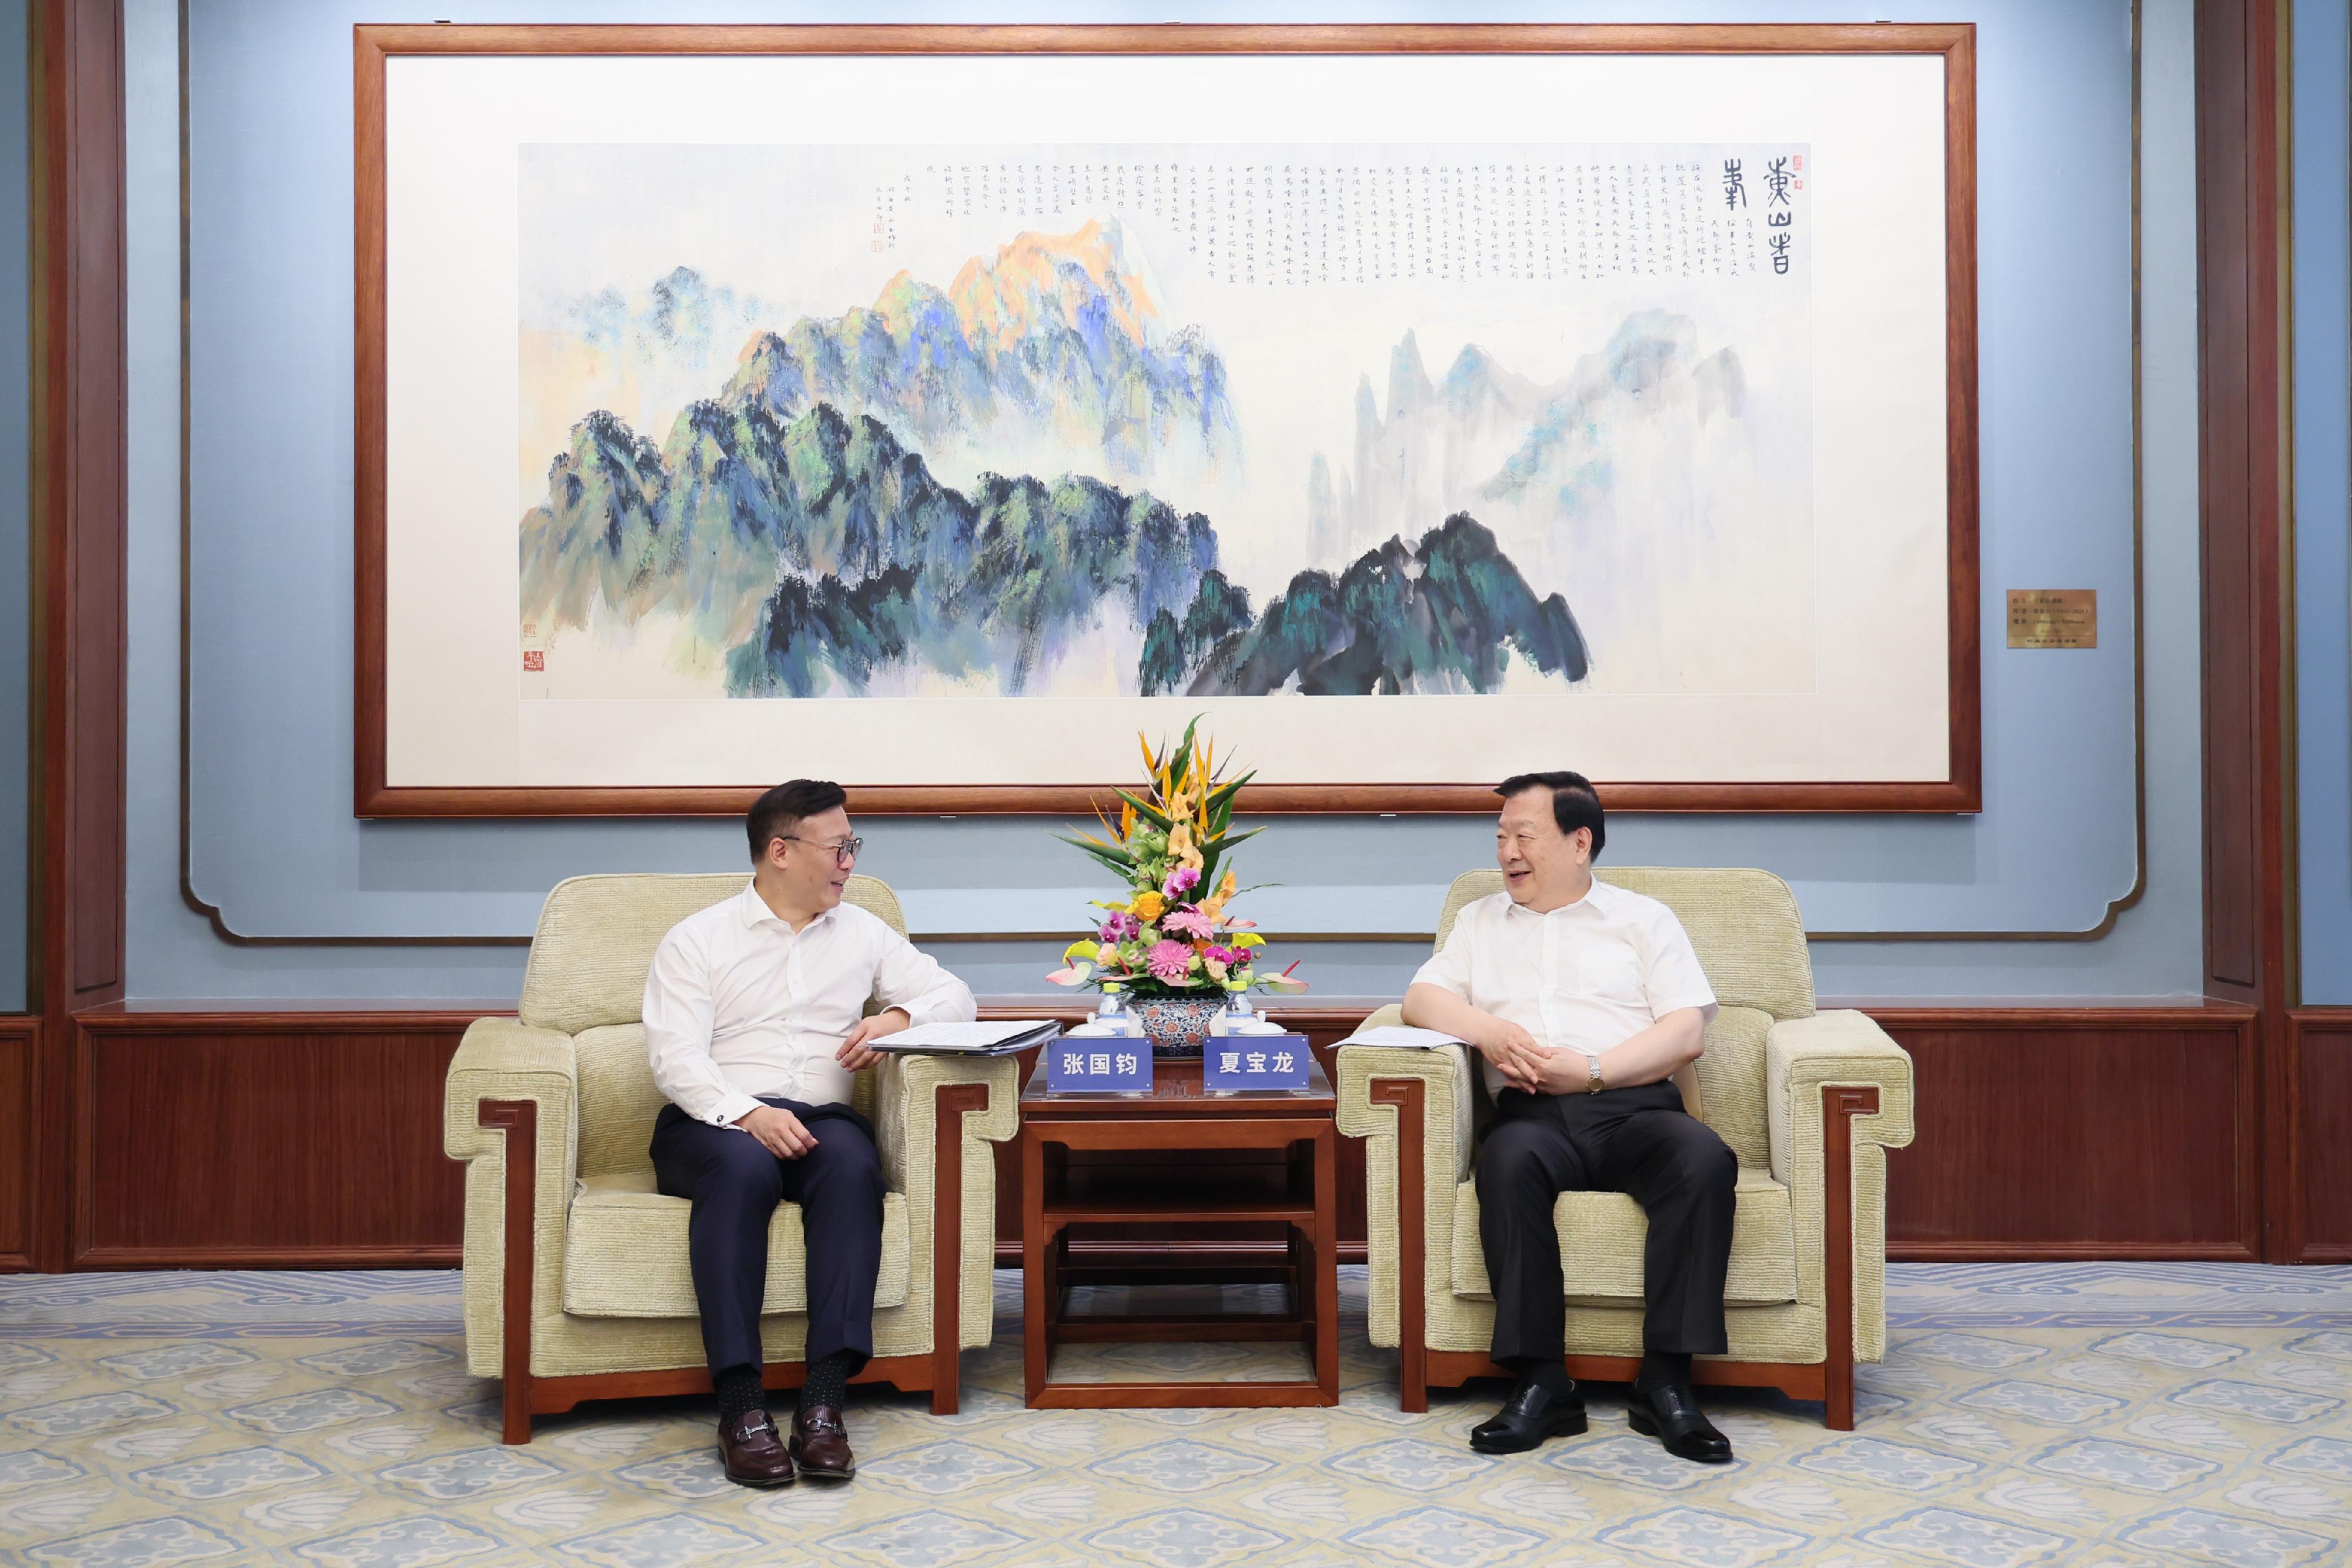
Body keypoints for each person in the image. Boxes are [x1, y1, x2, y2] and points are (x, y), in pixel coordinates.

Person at [643, 778, 976, 1487]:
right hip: (712, 1122)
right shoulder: (697, 939)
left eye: (853, 846)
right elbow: (676, 1059)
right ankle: (740, 1409)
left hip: (819, 1119)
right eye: (839, 847)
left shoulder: (861, 931)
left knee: (854, 1167)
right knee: (743, 1170)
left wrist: (895, 1021)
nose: (850, 861)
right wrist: (749, 1115)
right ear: (780, 852)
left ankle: (823, 1404)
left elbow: (955, 993)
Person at [1402, 771, 1737, 1464]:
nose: (1507, 853)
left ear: (1579, 842)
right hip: (1532, 1115)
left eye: (1524, 836)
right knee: (1508, 1160)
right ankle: (1543, 1383)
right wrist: (1488, 1034)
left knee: (1702, 1158)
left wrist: (1589, 1071)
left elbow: (1684, 1034)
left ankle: (1667, 1383)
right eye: (1500, 838)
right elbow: (1421, 1000)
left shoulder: (1642, 920)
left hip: (1633, 1109)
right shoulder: (1479, 921)